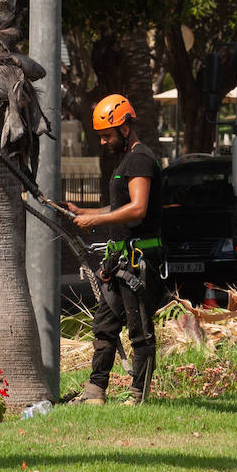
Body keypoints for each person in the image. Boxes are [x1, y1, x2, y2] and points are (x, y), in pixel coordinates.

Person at [67, 94, 164, 405]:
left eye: (106, 135)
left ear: (125, 128)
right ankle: (95, 392)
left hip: (138, 261)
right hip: (121, 259)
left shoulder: (140, 159)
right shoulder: (127, 161)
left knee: (140, 331)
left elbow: (137, 210)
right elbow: (121, 206)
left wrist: (98, 218)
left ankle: (138, 394)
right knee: (105, 326)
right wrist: (88, 213)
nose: (103, 142)